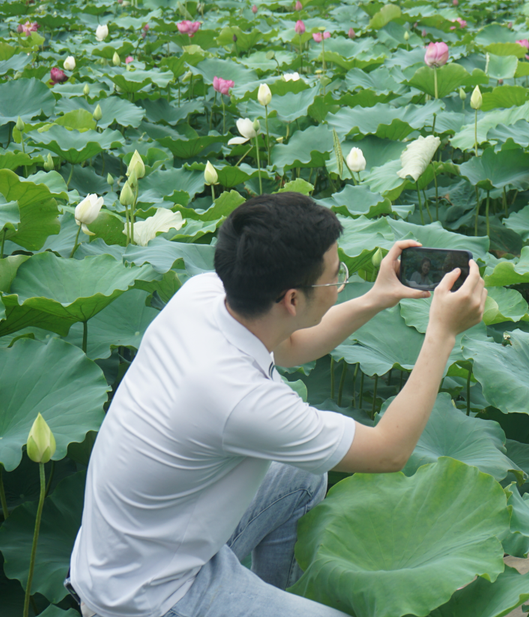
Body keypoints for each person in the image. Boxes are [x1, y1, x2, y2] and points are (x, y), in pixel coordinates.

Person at [68, 192, 486, 617]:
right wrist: (442, 333)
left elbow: (288, 346)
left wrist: (378, 296)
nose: (340, 283)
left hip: (142, 546)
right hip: (148, 597)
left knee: (303, 476)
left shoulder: (206, 294)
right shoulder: (237, 397)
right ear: (290, 299)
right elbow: (389, 450)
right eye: (335, 276)